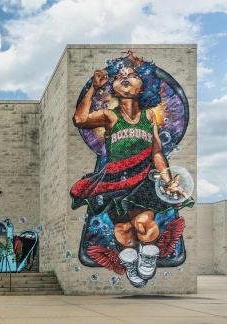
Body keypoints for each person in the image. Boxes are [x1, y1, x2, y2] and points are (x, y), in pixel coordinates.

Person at [70, 53, 193, 287]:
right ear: (114, 87)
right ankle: (130, 261)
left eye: (133, 74)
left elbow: (157, 152)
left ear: (143, 86)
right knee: (123, 228)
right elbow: (80, 118)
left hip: (143, 178)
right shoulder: (110, 116)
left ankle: (148, 254)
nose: (125, 76)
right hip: (115, 180)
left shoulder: (149, 117)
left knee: (144, 222)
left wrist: (167, 180)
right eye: (120, 76)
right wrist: (94, 89)